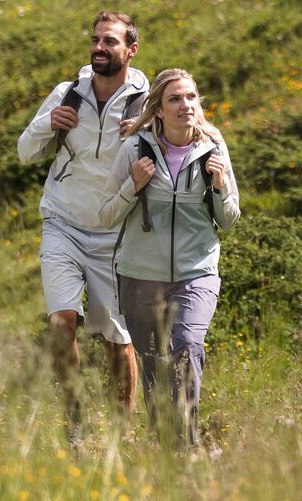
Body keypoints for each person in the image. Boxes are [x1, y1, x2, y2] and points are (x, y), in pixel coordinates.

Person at [15, 11, 147, 448]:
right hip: (63, 223)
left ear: (130, 49)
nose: (98, 48)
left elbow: (172, 157)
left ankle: (120, 436)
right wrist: (48, 123)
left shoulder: (146, 101)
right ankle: (74, 423)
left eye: (109, 41)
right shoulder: (67, 93)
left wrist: (143, 135)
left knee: (117, 340)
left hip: (115, 230)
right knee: (61, 322)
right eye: (94, 40)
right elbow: (24, 151)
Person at [95, 68, 239, 447]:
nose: (185, 106)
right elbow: (106, 214)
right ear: (157, 108)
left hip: (196, 273)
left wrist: (221, 186)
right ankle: (165, 453)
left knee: (187, 348)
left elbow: (229, 220)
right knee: (156, 370)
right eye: (175, 99)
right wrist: (133, 185)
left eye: (191, 97)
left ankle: (187, 447)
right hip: (140, 277)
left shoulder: (214, 148)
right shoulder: (134, 149)